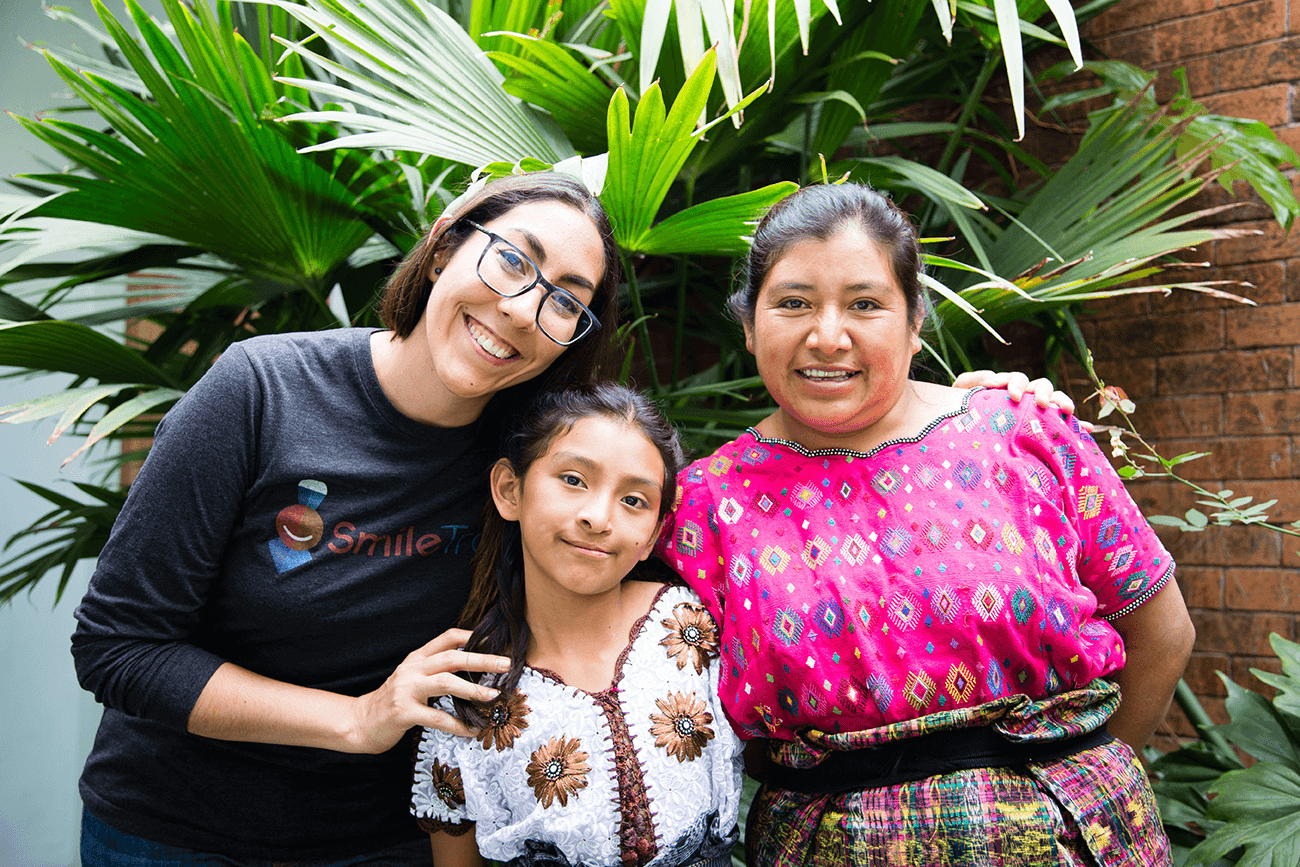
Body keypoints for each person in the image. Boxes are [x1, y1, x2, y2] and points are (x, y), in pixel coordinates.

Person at [71, 172, 625, 866]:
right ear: (444, 245)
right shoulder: (259, 389)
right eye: (514, 259)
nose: (521, 308)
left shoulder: (532, 465)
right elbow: (119, 646)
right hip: (175, 834)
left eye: (565, 299)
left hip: (388, 841)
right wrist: (358, 719)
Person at [657, 183, 1196, 866]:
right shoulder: (707, 502)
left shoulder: (1022, 431)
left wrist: (1079, 782)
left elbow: (1162, 630)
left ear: (914, 322)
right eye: (793, 302)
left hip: (1068, 832)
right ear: (749, 323)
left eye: (864, 303)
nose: (827, 335)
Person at [411, 384, 743, 867]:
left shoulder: (697, 626)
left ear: (654, 532)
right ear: (510, 490)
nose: (597, 517)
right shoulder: (468, 691)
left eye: (633, 500)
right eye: (572, 479)